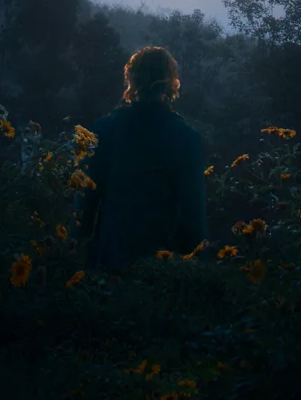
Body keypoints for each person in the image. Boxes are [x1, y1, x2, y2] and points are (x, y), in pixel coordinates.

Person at [74, 46, 208, 273]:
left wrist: (78, 251)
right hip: (163, 265)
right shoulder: (187, 137)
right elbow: (194, 212)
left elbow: (86, 199)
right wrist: (195, 265)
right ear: (170, 82)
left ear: (132, 79)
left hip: (109, 260)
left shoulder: (104, 129)